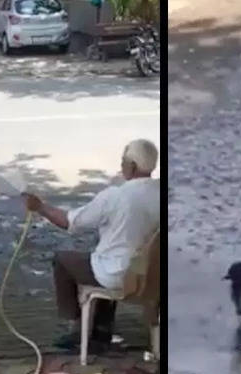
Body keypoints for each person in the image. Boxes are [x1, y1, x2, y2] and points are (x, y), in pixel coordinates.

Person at [21, 139, 161, 351]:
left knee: (65, 260)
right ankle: (102, 329)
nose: (121, 166)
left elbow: (70, 222)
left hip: (120, 276)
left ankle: (79, 330)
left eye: (123, 161)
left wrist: (40, 207)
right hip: (153, 276)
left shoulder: (116, 196)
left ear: (131, 166)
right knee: (106, 257)